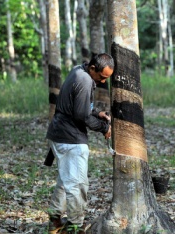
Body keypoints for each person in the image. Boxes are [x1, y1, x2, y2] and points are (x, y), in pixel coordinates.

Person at [46, 53, 114, 234]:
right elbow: (82, 116)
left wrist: (98, 112)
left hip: (59, 134)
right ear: (93, 68)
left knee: (65, 180)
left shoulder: (79, 70)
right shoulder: (84, 80)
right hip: (70, 139)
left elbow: (83, 105)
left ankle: (55, 220)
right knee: (77, 184)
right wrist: (104, 127)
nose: (102, 81)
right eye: (102, 77)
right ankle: (74, 226)